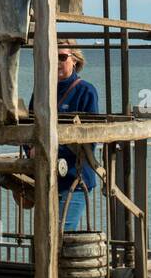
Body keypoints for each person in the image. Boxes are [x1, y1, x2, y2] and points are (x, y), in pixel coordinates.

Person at [28, 39, 100, 232]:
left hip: (75, 179)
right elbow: (28, 127)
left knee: (60, 232)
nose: (57, 62)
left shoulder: (86, 91)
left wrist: (51, 150)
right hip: (46, 178)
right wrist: (31, 150)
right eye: (53, 56)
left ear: (75, 60)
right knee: (43, 234)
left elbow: (90, 139)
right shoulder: (41, 91)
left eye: (62, 57)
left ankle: (59, 262)